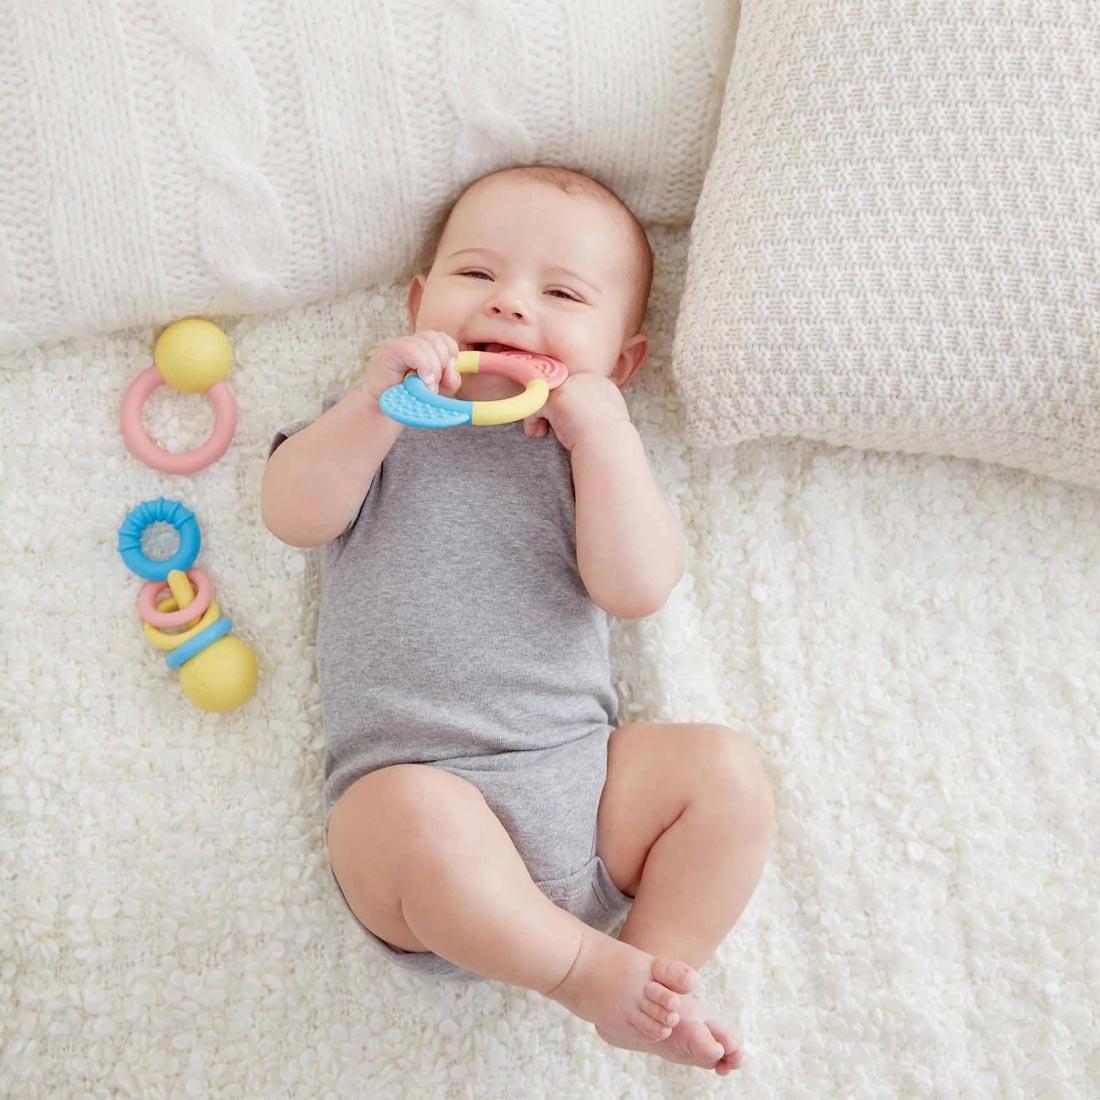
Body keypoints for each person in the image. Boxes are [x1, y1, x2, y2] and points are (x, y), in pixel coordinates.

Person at [261, 164, 774, 1074]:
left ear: (619, 362)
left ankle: (656, 978)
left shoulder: (587, 459)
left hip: (580, 790)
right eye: (475, 276)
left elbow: (639, 586)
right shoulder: (377, 429)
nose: (508, 307)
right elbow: (293, 512)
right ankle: (584, 971)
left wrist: (605, 436)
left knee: (724, 774)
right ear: (420, 304)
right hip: (415, 815)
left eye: (562, 293)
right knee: (412, 814)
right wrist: (372, 404)